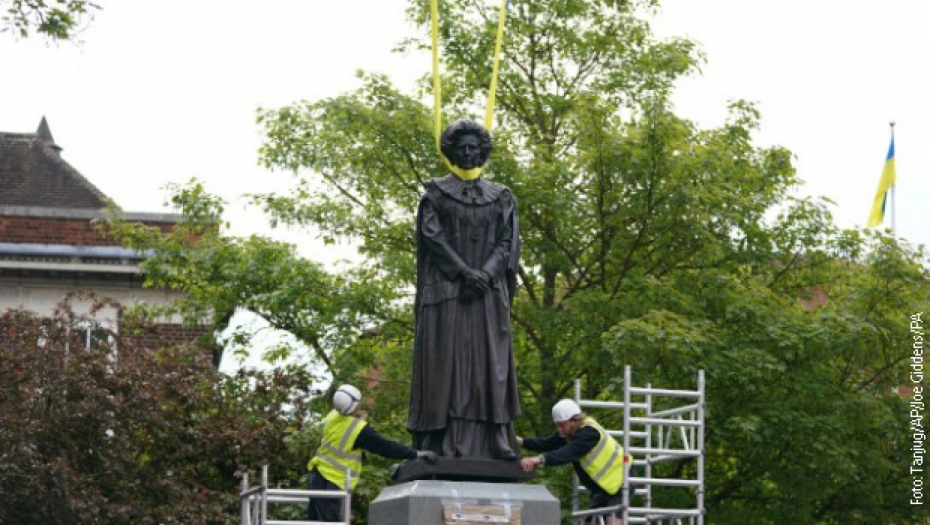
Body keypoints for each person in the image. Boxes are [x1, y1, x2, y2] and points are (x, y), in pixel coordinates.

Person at [407, 119, 521, 460]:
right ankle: (444, 442)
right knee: (449, 368)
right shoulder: (435, 195)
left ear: (483, 151)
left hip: (487, 296)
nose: (469, 153)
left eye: (475, 147)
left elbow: (507, 241)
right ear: (451, 152)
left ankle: (494, 439)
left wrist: (485, 274)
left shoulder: (501, 197)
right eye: (462, 147)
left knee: (491, 367)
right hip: (448, 295)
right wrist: (463, 273)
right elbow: (433, 239)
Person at [307, 384, 438, 522]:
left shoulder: (333, 416)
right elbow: (385, 447)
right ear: (354, 406)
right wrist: (416, 454)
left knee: (315, 522)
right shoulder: (358, 430)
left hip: (316, 477)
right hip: (333, 483)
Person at [518, 399, 626, 525]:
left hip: (621, 481)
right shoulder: (571, 432)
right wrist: (521, 442)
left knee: (612, 520)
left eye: (562, 425)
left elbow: (567, 453)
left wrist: (538, 459)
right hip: (604, 487)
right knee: (590, 520)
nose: (560, 430)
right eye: (557, 425)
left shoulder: (589, 433)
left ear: (574, 420)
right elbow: (546, 443)